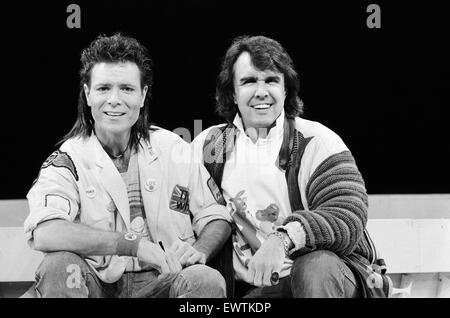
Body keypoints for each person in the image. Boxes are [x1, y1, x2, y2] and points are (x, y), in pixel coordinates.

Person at [24, 33, 232, 298]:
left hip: (165, 280)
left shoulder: (173, 147)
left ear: (143, 95)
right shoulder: (68, 159)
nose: (114, 99)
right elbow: (45, 232)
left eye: (127, 88)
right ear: (88, 94)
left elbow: (216, 215)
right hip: (100, 283)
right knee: (59, 267)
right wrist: (131, 245)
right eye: (103, 88)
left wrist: (200, 249)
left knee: (206, 279)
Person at [192, 35, 389, 298]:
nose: (261, 91)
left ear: (286, 90)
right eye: (249, 81)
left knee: (314, 267)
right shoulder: (208, 147)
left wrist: (281, 240)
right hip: (260, 291)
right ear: (232, 92)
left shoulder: (318, 141)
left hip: (335, 278)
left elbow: (348, 215)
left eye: (271, 80)